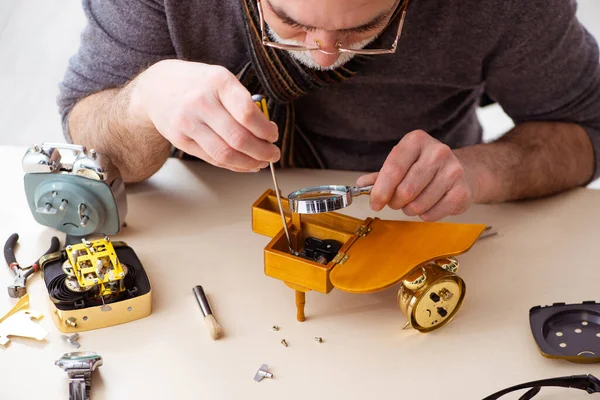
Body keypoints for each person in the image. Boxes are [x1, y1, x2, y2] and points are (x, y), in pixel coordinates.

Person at [58, 0, 600, 222]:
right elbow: (91, 146)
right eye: (290, 21)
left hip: (403, 226)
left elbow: (588, 126)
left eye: (364, 30)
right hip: (197, 217)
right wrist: (144, 99)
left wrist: (482, 170)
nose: (323, 54)